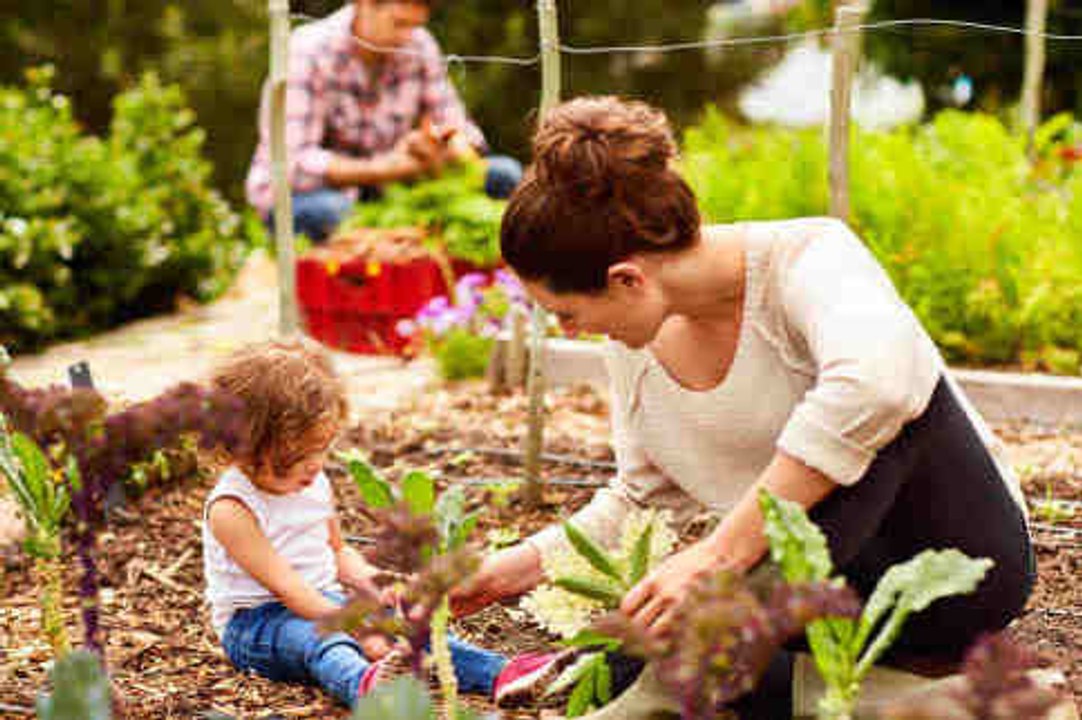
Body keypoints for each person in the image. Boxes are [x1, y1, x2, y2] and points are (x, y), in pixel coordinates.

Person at [452, 96, 1035, 716]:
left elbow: (879, 389)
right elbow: (641, 499)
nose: (570, 332)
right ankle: (932, 700)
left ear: (627, 279)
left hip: (955, 574)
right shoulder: (635, 340)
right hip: (812, 602)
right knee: (636, 651)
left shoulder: (809, 258)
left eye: (568, 313)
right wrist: (511, 568)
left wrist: (719, 553)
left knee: (883, 408)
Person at [202, 339, 567, 708]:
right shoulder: (232, 508)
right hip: (256, 625)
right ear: (241, 449)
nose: (314, 465)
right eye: (294, 457)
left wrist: (378, 587)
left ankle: (501, 672)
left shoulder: (313, 482)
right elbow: (289, 588)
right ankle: (364, 686)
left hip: (324, 601)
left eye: (322, 448)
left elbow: (338, 552)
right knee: (322, 638)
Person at [244, 0, 523, 242]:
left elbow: (454, 122)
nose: (407, 36)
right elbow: (294, 163)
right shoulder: (308, 50)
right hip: (309, 194)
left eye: (414, 25)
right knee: (335, 213)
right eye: (399, 23)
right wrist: (384, 169)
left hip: (390, 187)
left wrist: (450, 149)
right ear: (363, 4)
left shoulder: (419, 43)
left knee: (505, 175)